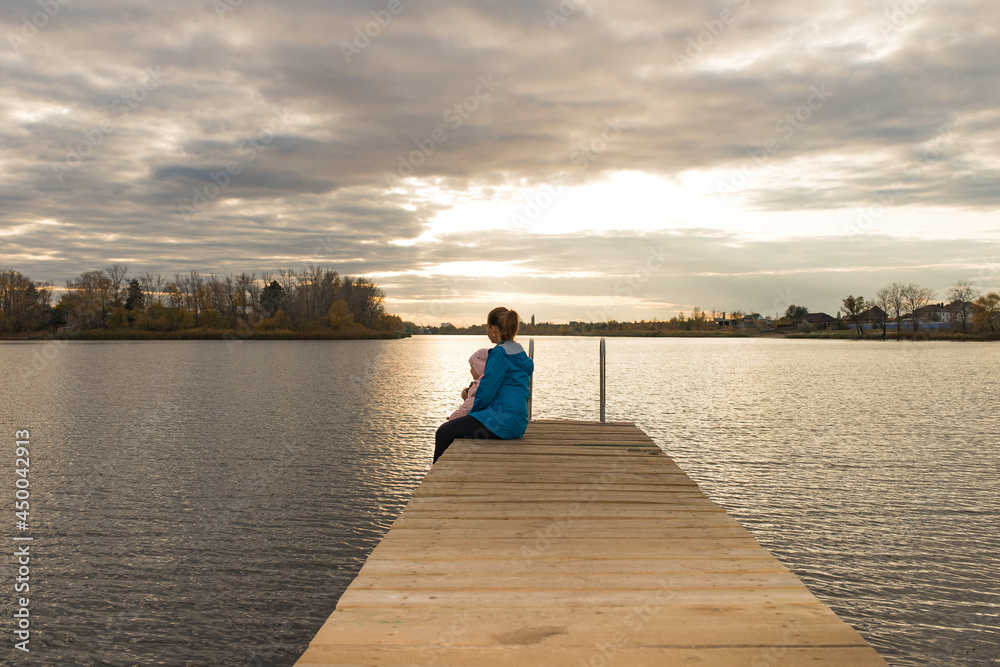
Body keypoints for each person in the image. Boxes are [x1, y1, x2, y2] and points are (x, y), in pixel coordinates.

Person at [433, 307, 534, 462]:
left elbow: (486, 391)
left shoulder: (499, 353)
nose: (487, 331)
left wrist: (472, 413)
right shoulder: (519, 351)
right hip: (518, 422)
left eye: (487, 327)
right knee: (461, 428)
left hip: (501, 422)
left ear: (493, 329)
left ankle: (440, 482)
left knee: (444, 432)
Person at [448, 348, 490, 421]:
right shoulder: (490, 381)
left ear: (480, 368)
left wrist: (453, 419)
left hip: (481, 421)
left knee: (443, 430)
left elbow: (468, 407)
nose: (470, 371)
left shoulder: (480, 385)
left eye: (472, 367)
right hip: (488, 418)